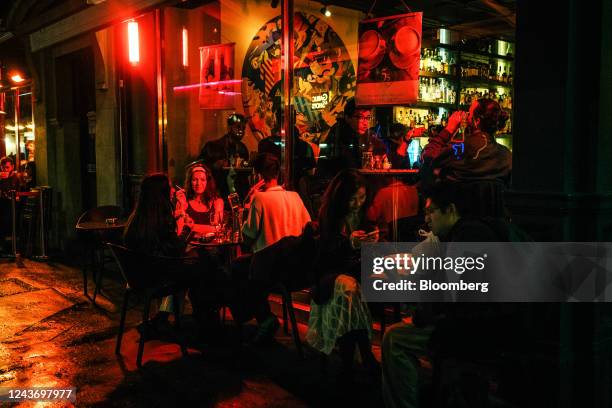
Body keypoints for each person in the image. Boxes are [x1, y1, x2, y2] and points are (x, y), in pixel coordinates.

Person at [381, 181, 522, 408]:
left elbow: (463, 302)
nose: (426, 218)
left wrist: (424, 313)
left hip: (482, 332)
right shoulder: (472, 231)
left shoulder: (465, 240)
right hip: (501, 323)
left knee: (393, 338)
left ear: (451, 210)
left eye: (431, 211)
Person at [306, 169, 380, 379]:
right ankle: (365, 355)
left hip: (357, 275)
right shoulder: (329, 216)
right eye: (353, 199)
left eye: (362, 198)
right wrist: (349, 243)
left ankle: (349, 362)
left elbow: (368, 256)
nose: (358, 204)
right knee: (349, 289)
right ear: (341, 198)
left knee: (352, 291)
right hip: (330, 276)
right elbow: (324, 257)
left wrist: (372, 242)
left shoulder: (364, 215)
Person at [230, 153, 312, 342]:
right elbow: (307, 227)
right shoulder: (295, 196)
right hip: (296, 270)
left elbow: (247, 238)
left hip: (269, 270)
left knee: (236, 268)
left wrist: (248, 203)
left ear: (257, 176)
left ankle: (263, 317)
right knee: (244, 267)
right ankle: (260, 316)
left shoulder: (260, 199)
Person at [123, 173, 214, 332]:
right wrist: (187, 229)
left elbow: (168, 249)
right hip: (155, 279)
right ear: (161, 194)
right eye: (169, 187)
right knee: (203, 263)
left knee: (196, 261)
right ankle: (204, 318)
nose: (173, 190)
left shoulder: (137, 218)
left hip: (137, 277)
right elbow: (177, 249)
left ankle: (164, 317)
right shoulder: (161, 220)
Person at [421, 98, 511, 187]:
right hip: (493, 201)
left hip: (458, 201)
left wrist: (449, 129)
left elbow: (427, 156)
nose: (467, 118)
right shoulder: (506, 155)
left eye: (469, 114)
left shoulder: (461, 149)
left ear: (477, 121)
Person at [317, 98, 386, 177]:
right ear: (347, 118)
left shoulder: (364, 135)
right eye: (360, 117)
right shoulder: (340, 133)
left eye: (367, 118)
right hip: (337, 184)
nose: (365, 123)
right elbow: (349, 167)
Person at [199, 113, 250, 198]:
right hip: (220, 192)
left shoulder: (243, 148)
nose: (241, 131)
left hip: (239, 193)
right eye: (238, 127)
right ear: (229, 128)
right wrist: (214, 165)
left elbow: (244, 174)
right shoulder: (213, 147)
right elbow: (201, 168)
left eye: (243, 128)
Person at [175, 164, 224, 236]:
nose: (198, 183)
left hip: (211, 246)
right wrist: (182, 205)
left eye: (203, 180)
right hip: (188, 246)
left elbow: (217, 229)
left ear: (208, 181)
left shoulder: (217, 202)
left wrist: (191, 226)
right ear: (190, 182)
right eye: (195, 180)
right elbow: (179, 232)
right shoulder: (183, 201)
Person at [1, 157, 20, 253]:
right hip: (3, 205)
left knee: (9, 222)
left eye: (7, 167)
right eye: (3, 168)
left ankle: (10, 248)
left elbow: (19, 192)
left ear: (12, 167)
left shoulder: (16, 177)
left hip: (12, 206)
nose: (5, 170)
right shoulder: (1, 177)